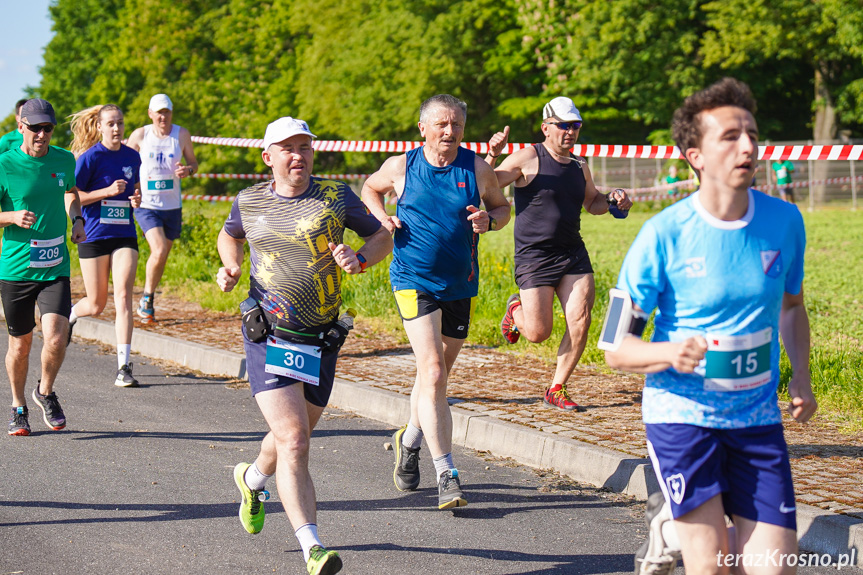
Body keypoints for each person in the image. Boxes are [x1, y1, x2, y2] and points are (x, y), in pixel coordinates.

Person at [601, 78, 816, 574]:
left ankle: (673, 528)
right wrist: (666, 353)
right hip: (683, 418)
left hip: (756, 419)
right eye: (730, 136)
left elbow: (790, 306)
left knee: (774, 568)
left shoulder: (785, 221)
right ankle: (681, 528)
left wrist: (801, 374)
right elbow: (613, 345)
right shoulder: (662, 235)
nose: (748, 146)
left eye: (752, 134)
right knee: (715, 566)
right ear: (694, 155)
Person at [216, 116, 392, 575]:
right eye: (288, 148)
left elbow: (382, 233)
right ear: (268, 156)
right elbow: (229, 234)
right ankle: (313, 547)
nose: (298, 156)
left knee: (293, 436)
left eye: (305, 147)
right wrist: (231, 267)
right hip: (268, 331)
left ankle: (253, 480)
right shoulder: (249, 200)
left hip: (320, 336)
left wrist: (360, 259)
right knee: (294, 439)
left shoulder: (335, 197)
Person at [362, 94, 511, 509]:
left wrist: (489, 221)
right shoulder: (402, 166)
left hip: (460, 284)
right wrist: (381, 217)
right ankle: (447, 472)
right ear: (423, 128)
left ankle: (408, 440)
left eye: (457, 125)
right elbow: (369, 188)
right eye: (442, 125)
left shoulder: (477, 168)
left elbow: (502, 209)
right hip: (413, 279)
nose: (450, 132)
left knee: (437, 376)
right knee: (430, 370)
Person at [491, 96, 632, 411]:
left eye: (576, 126)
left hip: (572, 254)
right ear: (546, 127)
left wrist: (612, 199)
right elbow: (487, 187)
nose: (570, 132)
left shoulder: (580, 165)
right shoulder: (527, 157)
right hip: (534, 257)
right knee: (539, 333)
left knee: (580, 320)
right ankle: (515, 309)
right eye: (563, 125)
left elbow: (592, 202)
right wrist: (492, 155)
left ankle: (557, 387)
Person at [0, 98, 86, 436]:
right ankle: (18, 406)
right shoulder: (5, 165)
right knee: (20, 346)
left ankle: (45, 392)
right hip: (16, 270)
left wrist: (76, 219)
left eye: (47, 128)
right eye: (35, 127)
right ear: (21, 126)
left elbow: (69, 191)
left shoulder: (64, 160)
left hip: (54, 267)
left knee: (56, 337)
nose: (41, 134)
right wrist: (10, 217)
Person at [67, 104, 143, 387]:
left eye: (120, 123)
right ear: (99, 127)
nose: (116, 128)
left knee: (123, 296)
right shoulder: (89, 158)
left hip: (124, 234)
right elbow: (73, 196)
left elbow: (136, 191)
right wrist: (106, 192)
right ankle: (73, 313)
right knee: (97, 304)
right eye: (110, 124)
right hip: (94, 235)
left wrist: (136, 199)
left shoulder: (132, 156)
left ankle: (124, 367)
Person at [126, 93, 198, 323]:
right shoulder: (140, 135)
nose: (163, 117)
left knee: (162, 255)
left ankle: (147, 297)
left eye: (166, 112)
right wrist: (130, 190)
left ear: (171, 113)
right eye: (159, 112)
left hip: (172, 205)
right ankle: (147, 299)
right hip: (147, 204)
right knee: (157, 250)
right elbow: (124, 164)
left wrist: (188, 171)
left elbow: (193, 163)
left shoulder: (181, 134)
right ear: (150, 114)